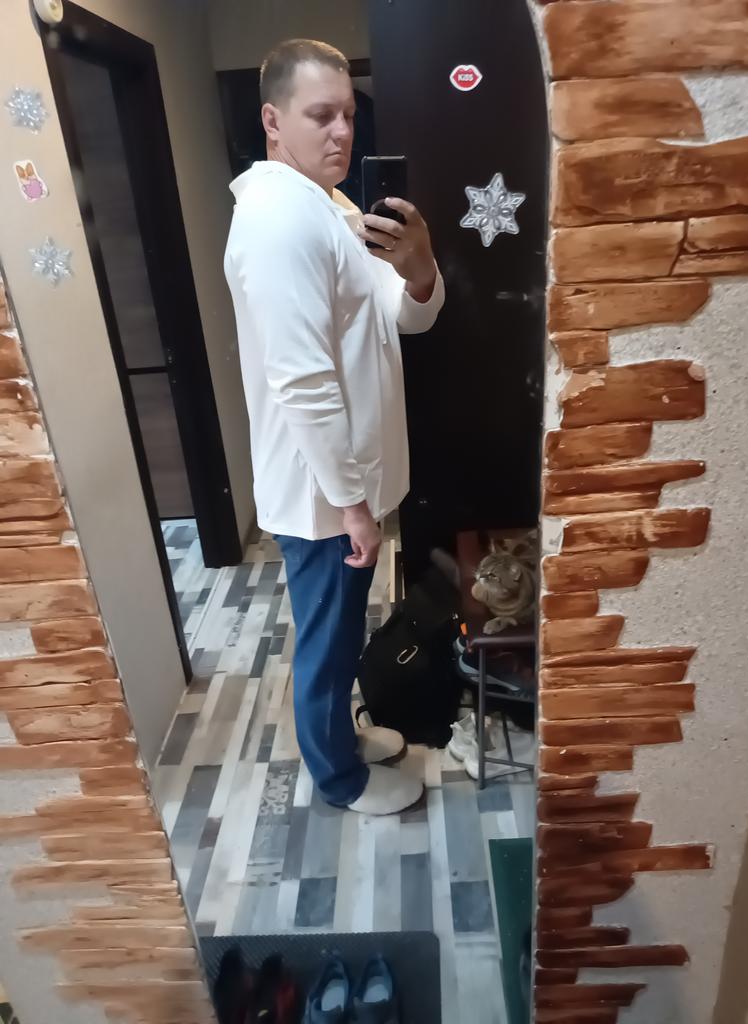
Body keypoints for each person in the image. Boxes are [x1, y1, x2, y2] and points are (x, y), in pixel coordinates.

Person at [224, 39, 445, 815]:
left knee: (345, 627)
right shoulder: (278, 220)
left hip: (345, 477)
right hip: (321, 489)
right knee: (327, 640)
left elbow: (399, 318)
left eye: (349, 113)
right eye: (321, 115)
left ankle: (342, 743)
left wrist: (420, 268)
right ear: (272, 120)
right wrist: (351, 504)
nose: (342, 132)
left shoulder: (334, 205)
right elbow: (302, 380)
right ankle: (338, 778)